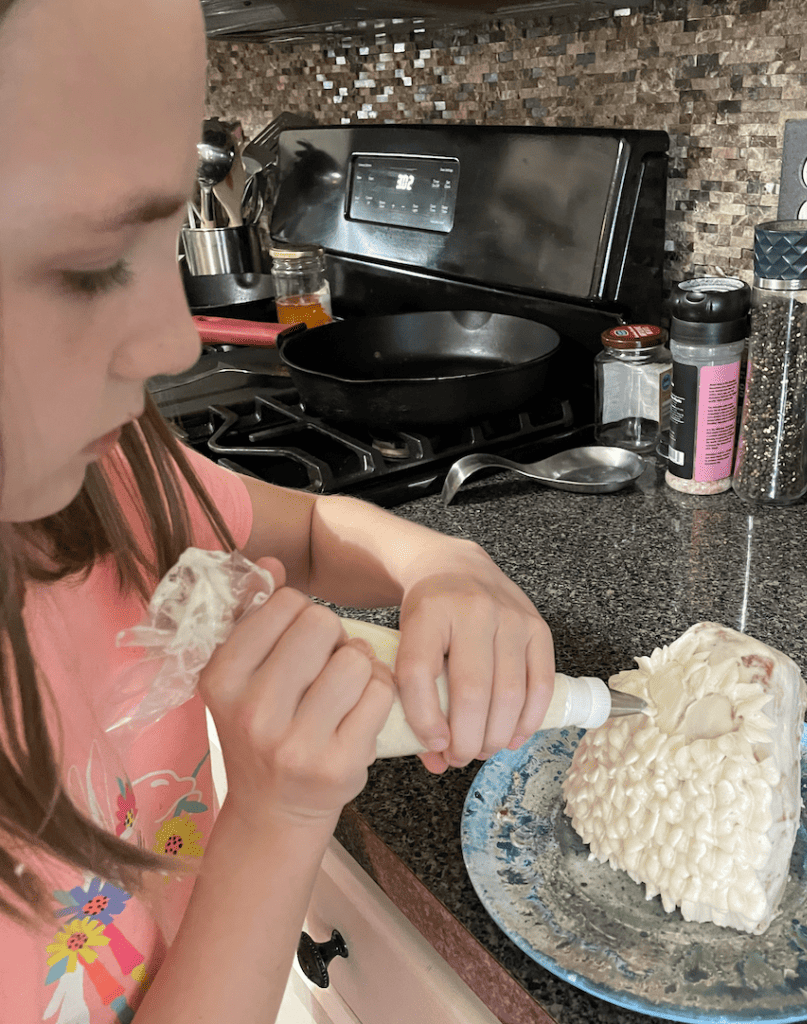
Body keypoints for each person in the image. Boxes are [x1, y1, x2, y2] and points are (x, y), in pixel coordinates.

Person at [0, 0, 556, 1020]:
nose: (175, 343)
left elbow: (302, 531)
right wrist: (280, 812)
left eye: (166, 245)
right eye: (88, 267)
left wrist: (443, 566)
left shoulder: (102, 476)